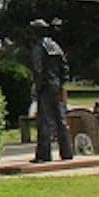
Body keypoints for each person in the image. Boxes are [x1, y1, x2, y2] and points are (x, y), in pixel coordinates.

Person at [29, 18, 73, 162]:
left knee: (44, 121)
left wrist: (38, 87)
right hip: (56, 85)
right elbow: (64, 67)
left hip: (45, 86)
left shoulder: (38, 47)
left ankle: (44, 154)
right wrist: (61, 83)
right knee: (61, 120)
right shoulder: (55, 46)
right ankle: (67, 152)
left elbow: (38, 69)